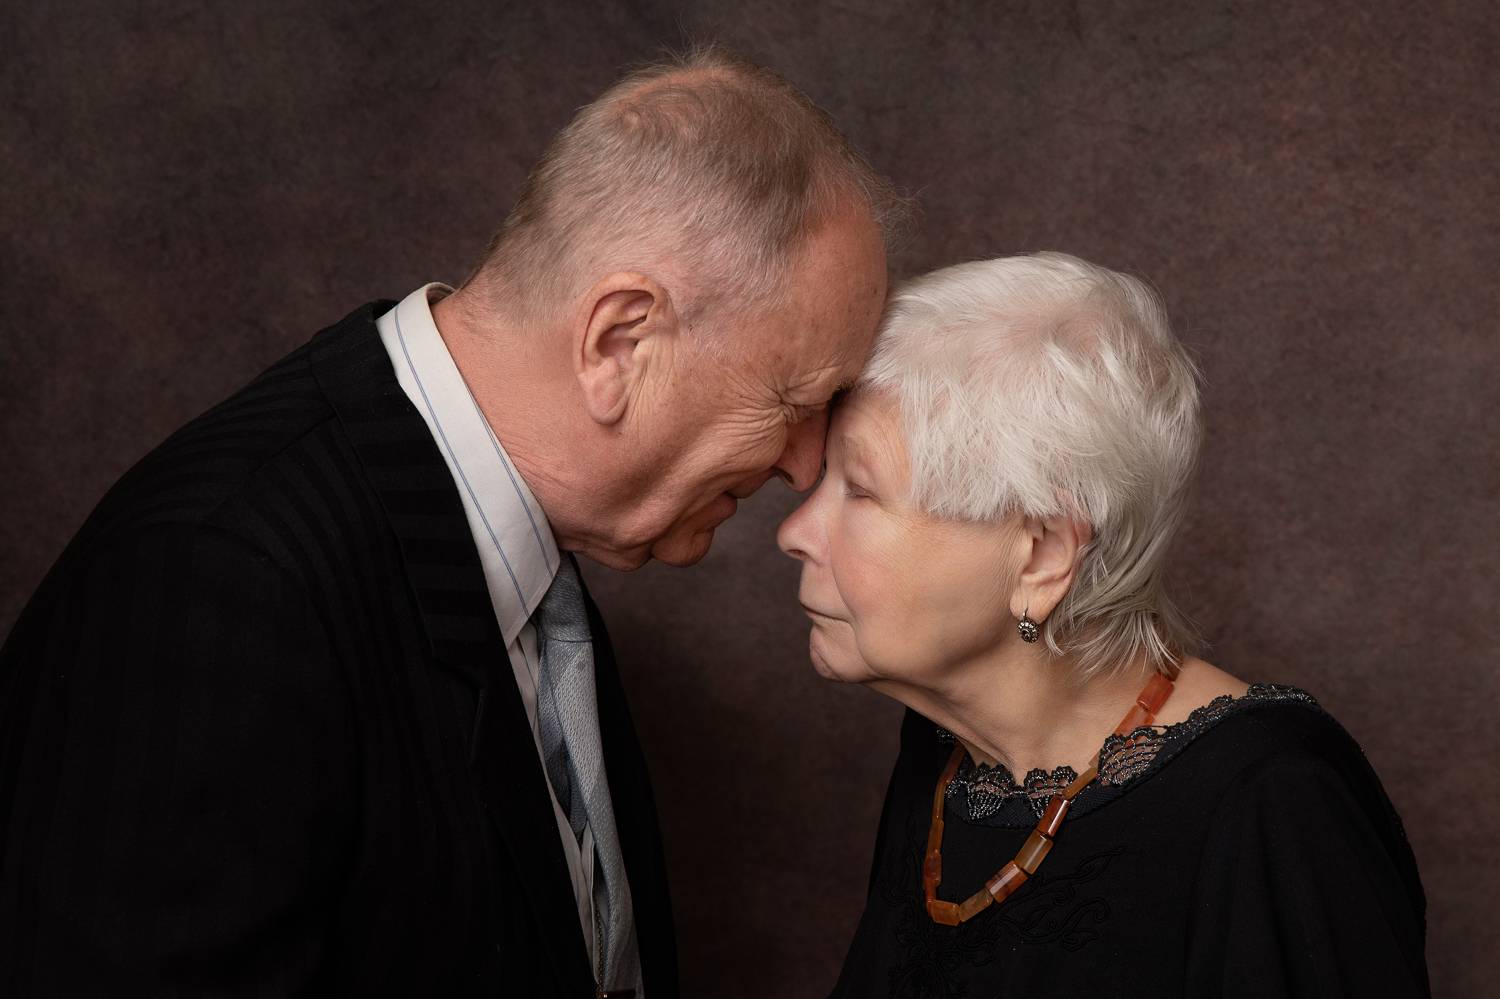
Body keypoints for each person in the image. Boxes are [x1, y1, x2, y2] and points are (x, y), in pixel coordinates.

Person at [0, 47, 901, 996]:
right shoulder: (220, 586)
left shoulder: (526, 540)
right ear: (619, 341)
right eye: (794, 399)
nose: (806, 464)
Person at [778, 252, 1429, 997]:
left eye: (860, 489)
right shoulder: (946, 757)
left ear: (1042, 554)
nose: (794, 532)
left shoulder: (1275, 803)